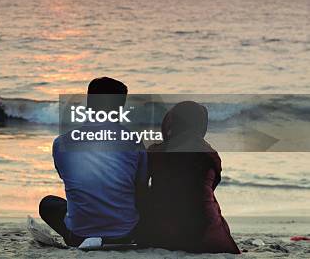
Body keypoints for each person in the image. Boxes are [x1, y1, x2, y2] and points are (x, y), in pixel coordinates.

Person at [39, 77, 147, 247]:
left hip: (80, 235)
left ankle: (86, 230)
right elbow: (140, 186)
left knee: (48, 204)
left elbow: (69, 179)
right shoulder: (133, 141)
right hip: (125, 234)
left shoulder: (61, 143)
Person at [139, 101, 240, 254]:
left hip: (161, 233)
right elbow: (210, 188)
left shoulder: (155, 152)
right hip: (206, 235)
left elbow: (142, 185)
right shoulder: (210, 154)